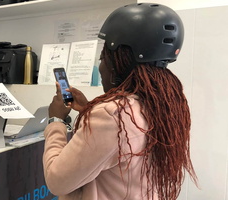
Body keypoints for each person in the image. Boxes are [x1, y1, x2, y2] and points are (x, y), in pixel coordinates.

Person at [43, 3, 198, 200]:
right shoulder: (165, 104)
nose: (101, 67)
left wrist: (55, 122)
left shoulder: (111, 116)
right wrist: (87, 110)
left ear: (119, 61)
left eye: (103, 57)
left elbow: (56, 180)